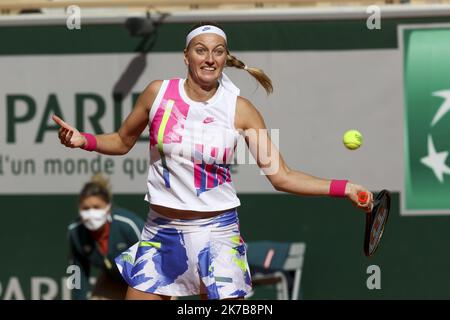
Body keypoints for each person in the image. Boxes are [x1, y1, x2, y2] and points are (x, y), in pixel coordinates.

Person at [54, 21, 374, 300]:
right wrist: (87, 140)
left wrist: (343, 187)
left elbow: (282, 176)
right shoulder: (157, 94)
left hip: (216, 236)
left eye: (218, 51)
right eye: (201, 50)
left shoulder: (240, 109)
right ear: (186, 56)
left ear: (225, 58)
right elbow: (123, 140)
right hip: (160, 233)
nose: (209, 59)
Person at [68, 173, 145, 300]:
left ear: (108, 207)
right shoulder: (76, 232)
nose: (91, 212)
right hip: (112, 280)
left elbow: (153, 258)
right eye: (86, 208)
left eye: (96, 207)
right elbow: (78, 273)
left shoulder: (127, 224)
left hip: (145, 278)